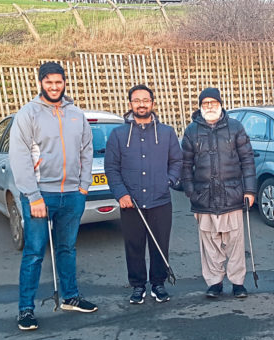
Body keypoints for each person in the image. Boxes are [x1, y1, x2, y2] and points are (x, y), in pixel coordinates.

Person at [10, 62, 97, 331]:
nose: (54, 86)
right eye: (49, 82)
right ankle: (26, 309)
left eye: (58, 82)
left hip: (72, 194)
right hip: (40, 195)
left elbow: (86, 150)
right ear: (40, 83)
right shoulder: (28, 114)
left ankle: (70, 296)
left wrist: (83, 188)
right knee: (34, 252)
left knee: (67, 249)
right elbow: (20, 156)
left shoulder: (76, 114)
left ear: (64, 83)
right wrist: (33, 196)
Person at [105, 84, 182, 305]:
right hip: (131, 202)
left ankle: (158, 283)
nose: (141, 104)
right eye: (136, 100)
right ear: (130, 104)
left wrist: (169, 180)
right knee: (134, 245)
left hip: (160, 201)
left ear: (152, 103)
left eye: (145, 100)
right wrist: (121, 194)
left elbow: (177, 161)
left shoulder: (166, 132)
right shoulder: (118, 135)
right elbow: (111, 167)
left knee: (160, 244)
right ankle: (138, 286)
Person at [181, 87, 257, 299]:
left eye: (213, 103)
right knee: (209, 244)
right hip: (203, 197)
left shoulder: (235, 127)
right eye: (205, 104)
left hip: (232, 195)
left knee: (235, 243)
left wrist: (250, 190)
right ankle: (214, 283)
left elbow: (247, 160)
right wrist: (189, 191)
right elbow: (185, 164)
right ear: (200, 107)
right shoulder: (191, 131)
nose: (210, 107)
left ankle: (238, 283)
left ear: (221, 104)